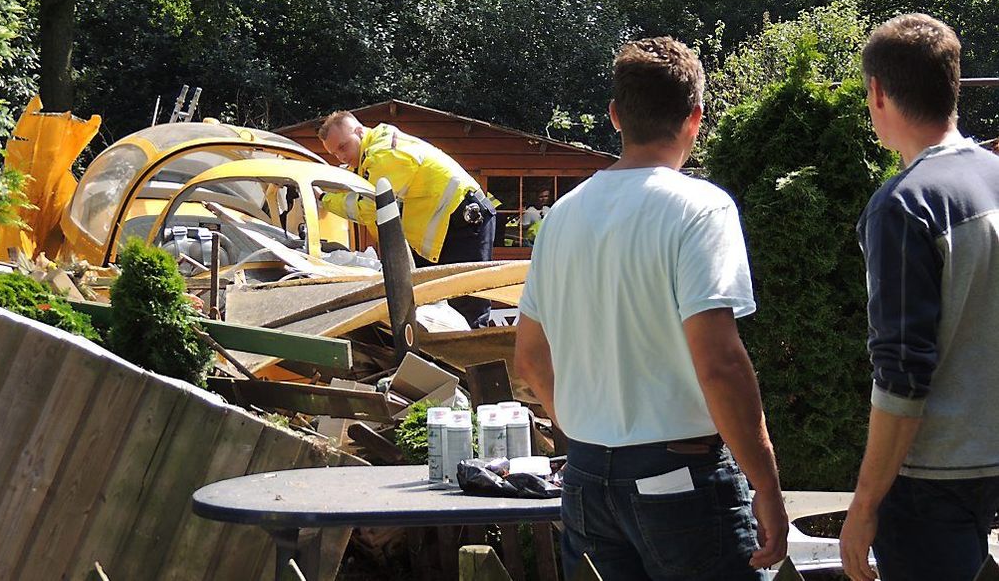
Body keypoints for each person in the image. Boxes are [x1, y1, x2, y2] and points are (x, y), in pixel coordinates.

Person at [513, 37, 788, 580]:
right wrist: (767, 486)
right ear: (696, 118)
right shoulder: (700, 209)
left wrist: (586, 427)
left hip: (587, 473)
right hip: (679, 474)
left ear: (615, 116)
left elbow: (528, 358)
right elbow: (720, 364)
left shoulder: (562, 217)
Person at [840, 14, 999, 581]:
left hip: (934, 480)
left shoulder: (904, 205)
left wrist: (863, 504)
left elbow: (903, 373)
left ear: (878, 92)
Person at [317, 111, 496, 326]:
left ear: (360, 131)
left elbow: (371, 208)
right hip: (450, 227)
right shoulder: (374, 155)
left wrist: (325, 199)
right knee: (435, 301)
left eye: (343, 147)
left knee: (466, 301)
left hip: (463, 222)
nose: (341, 157)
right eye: (334, 153)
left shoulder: (384, 154)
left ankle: (471, 354)